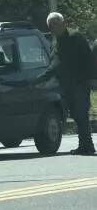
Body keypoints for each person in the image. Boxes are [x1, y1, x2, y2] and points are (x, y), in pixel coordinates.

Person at [31, 13, 94, 155]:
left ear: (63, 23)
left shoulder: (75, 38)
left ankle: (87, 146)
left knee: (81, 114)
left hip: (79, 83)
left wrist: (92, 78)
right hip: (66, 85)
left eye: (57, 23)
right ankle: (84, 145)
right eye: (52, 25)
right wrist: (41, 79)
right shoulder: (56, 43)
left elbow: (88, 59)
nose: (55, 27)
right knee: (77, 115)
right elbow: (55, 66)